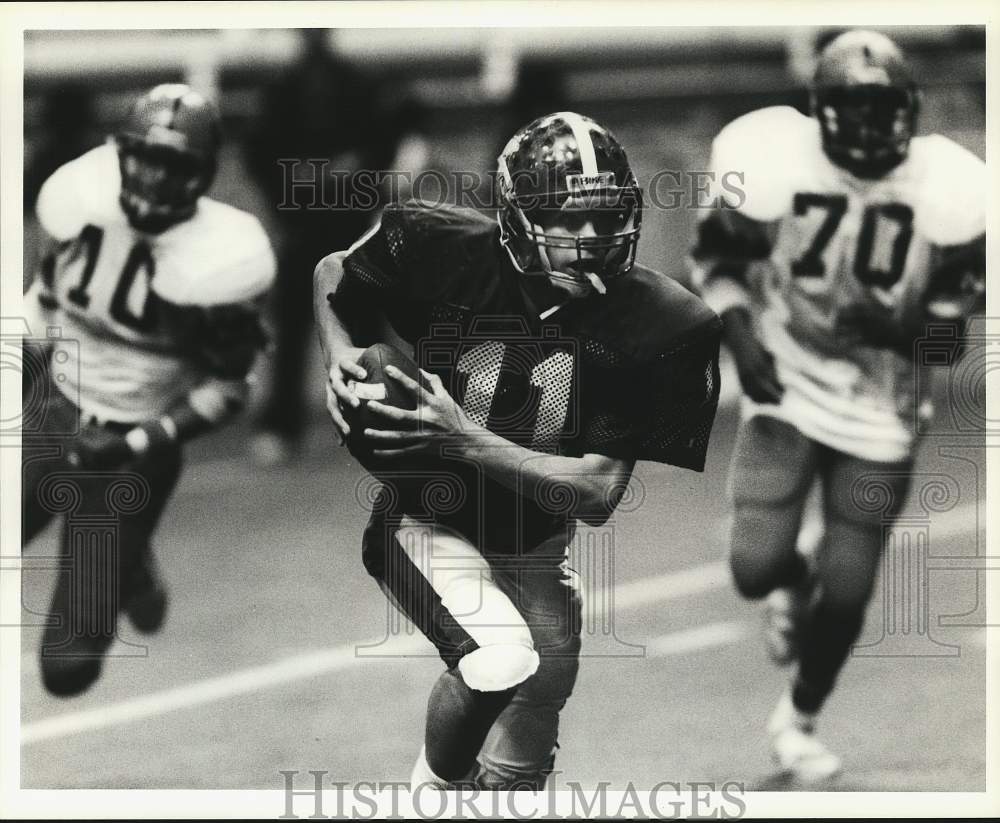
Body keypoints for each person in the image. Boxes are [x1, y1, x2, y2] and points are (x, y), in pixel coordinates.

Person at [315, 111, 722, 789]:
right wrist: (340, 355)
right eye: (567, 220)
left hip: (539, 544)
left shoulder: (662, 322)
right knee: (497, 657)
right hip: (426, 520)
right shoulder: (438, 243)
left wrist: (461, 436)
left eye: (606, 216)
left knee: (519, 769)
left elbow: (595, 493)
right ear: (517, 216)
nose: (591, 238)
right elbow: (336, 273)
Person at [691, 30, 985, 781]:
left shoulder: (949, 190)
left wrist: (903, 328)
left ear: (909, 108)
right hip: (788, 382)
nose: (867, 123)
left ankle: (799, 716)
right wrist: (737, 332)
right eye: (851, 106)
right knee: (754, 567)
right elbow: (720, 260)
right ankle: (790, 583)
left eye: (882, 106)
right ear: (818, 111)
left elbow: (949, 343)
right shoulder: (778, 168)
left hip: (883, 407)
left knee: (849, 587)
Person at [22, 84, 276, 697]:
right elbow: (44, 302)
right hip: (54, 409)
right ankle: (127, 560)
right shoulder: (78, 199)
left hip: (134, 446)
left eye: (174, 164)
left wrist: (137, 439)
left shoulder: (225, 258)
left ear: (203, 175)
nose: (155, 178)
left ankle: (129, 561)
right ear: (121, 153)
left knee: (68, 669)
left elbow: (228, 390)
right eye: (145, 158)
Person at [246, 28, 428, 465]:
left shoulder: (358, 84)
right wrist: (292, 196)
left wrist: (358, 181)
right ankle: (284, 425)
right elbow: (260, 152)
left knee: (364, 328)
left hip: (347, 225)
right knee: (295, 329)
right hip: (307, 225)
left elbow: (387, 139)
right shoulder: (283, 89)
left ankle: (385, 417)